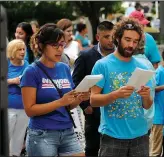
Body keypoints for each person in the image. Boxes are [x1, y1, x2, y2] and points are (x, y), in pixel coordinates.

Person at [20, 23, 90, 156]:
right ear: (41, 46)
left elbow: (68, 105)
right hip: (42, 134)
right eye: (55, 45)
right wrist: (60, 102)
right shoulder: (31, 71)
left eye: (62, 44)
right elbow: (30, 110)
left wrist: (79, 98)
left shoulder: (64, 68)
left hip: (68, 131)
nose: (60, 49)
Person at [90, 18, 153, 156]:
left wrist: (146, 96)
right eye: (127, 39)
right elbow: (93, 100)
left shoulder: (142, 67)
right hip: (113, 137)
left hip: (140, 136)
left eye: (135, 41)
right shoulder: (102, 65)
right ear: (117, 38)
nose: (131, 45)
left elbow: (147, 105)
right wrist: (115, 94)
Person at [72, 20, 115, 157]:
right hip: (93, 112)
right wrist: (85, 105)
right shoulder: (86, 56)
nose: (110, 40)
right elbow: (76, 81)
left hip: (114, 110)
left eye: (113, 37)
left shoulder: (119, 57)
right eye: (106, 37)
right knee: (93, 148)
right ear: (98, 37)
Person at [6, 39, 29, 156]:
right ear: (12, 51)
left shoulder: (26, 64)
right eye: (19, 49)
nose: (22, 52)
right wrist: (12, 81)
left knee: (19, 137)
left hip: (23, 107)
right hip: (8, 107)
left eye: (24, 49)